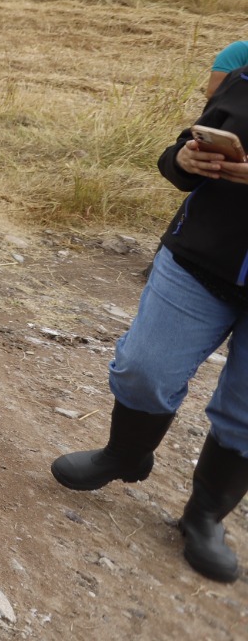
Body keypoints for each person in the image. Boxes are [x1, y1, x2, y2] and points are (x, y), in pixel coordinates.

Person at [51, 60, 248, 583]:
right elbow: (182, 156)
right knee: (144, 367)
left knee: (247, 412)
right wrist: (184, 157)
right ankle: (126, 454)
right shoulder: (243, 75)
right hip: (200, 261)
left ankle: (203, 517)